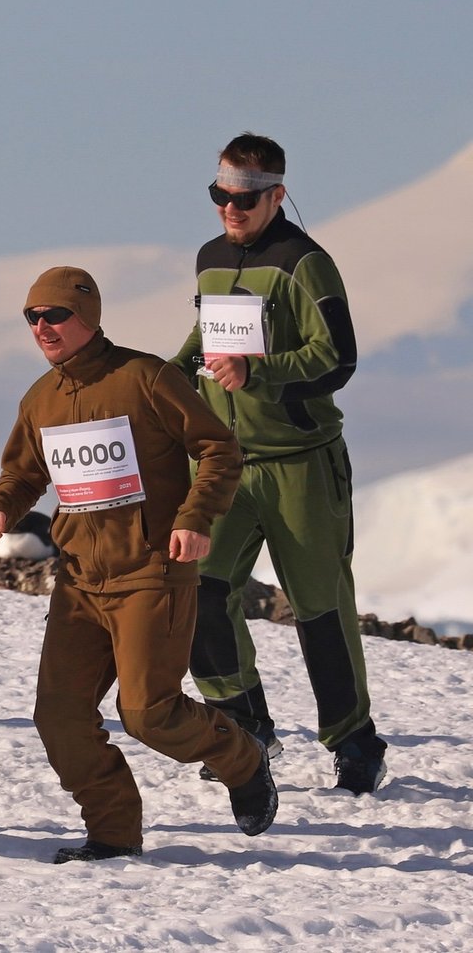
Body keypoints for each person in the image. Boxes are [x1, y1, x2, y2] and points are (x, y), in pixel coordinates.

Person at [0, 266, 275, 864]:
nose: (42, 326)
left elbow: (218, 449)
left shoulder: (146, 377)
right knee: (58, 719)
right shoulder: (41, 398)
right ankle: (112, 834)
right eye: (31, 317)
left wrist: (194, 518)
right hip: (80, 580)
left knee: (147, 714)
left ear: (87, 316)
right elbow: (24, 472)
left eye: (54, 314)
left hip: (152, 573)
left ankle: (241, 757)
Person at [173, 133, 387, 794]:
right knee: (199, 591)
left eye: (244, 199)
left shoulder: (306, 263)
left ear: (277, 195)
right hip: (225, 466)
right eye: (220, 196)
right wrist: (152, 385)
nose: (230, 209)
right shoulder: (210, 260)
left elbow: (339, 359)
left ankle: (354, 744)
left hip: (301, 465)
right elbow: (201, 346)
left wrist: (258, 372)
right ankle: (242, 727)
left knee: (318, 608)